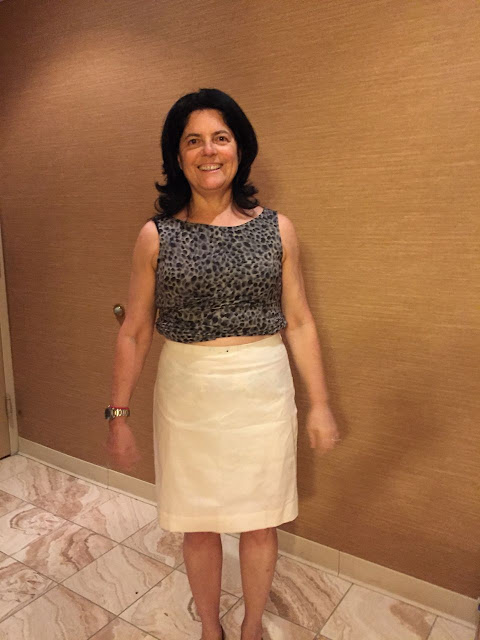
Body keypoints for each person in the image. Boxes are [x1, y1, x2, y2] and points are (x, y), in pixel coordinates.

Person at [106, 88, 340, 640]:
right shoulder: (155, 236)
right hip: (187, 393)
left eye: (220, 138)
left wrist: (321, 405)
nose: (208, 151)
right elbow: (134, 330)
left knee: (260, 523)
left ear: (240, 148)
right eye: (193, 141)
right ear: (177, 155)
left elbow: (299, 320)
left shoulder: (277, 229)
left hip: (262, 391)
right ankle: (210, 629)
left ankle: (252, 627)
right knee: (198, 524)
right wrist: (118, 414)